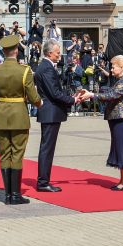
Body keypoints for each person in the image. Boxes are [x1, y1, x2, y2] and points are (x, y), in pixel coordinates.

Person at [0, 35, 42, 205]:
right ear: (16, 50)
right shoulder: (24, 70)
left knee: (4, 154)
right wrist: (40, 103)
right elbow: (33, 97)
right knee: (17, 153)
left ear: (3, 51)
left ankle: (8, 195)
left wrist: (1, 105)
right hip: (19, 117)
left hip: (2, 116)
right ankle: (15, 195)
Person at [80, 55, 123, 190]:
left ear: (122, 67)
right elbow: (110, 92)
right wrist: (92, 93)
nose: (112, 68)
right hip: (118, 118)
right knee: (120, 148)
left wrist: (92, 95)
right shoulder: (120, 80)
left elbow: (112, 95)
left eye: (114, 66)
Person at [34, 39, 78, 192]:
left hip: (50, 112)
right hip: (50, 112)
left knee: (47, 148)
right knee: (47, 148)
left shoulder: (47, 67)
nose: (60, 55)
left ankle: (44, 180)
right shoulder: (46, 68)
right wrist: (73, 99)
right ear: (49, 53)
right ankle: (43, 182)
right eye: (58, 53)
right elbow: (54, 93)